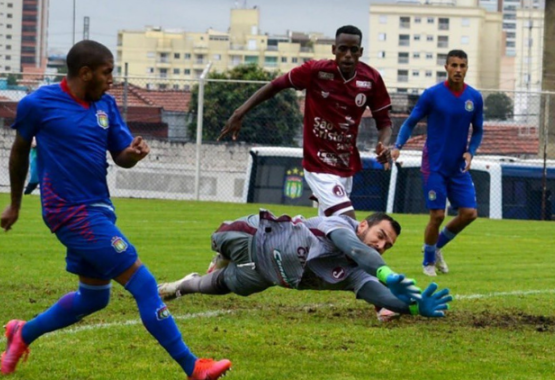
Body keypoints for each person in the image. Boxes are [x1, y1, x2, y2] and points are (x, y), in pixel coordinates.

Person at [0, 40, 231, 380]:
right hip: (69, 212)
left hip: (99, 208)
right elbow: (19, 152)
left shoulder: (105, 105)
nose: (112, 80)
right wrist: (16, 203)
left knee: (92, 298)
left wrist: (133, 154)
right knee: (144, 282)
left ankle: (23, 333)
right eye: (107, 73)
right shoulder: (39, 104)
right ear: (85, 73)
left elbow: (121, 156)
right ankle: (192, 366)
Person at [219, 25, 394, 219]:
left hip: (346, 165)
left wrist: (384, 145)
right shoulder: (315, 71)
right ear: (334, 49)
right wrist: (240, 112)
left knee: (330, 231)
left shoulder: (371, 79)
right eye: (343, 49)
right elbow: (276, 85)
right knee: (348, 221)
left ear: (360, 52)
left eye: (354, 50)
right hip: (318, 164)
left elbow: (384, 122)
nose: (348, 55)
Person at [157, 210, 452, 320]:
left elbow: (381, 297)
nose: (381, 246)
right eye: (380, 236)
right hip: (254, 237)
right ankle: (220, 256)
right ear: (363, 225)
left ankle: (181, 284)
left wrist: (414, 308)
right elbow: (359, 251)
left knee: (210, 287)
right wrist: (387, 273)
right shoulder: (340, 226)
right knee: (219, 237)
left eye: (388, 246)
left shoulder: (357, 272)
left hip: (263, 275)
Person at [391, 49, 484, 277]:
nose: (458, 70)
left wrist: (470, 152)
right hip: (434, 165)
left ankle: (436, 246)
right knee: (437, 216)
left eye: (462, 66)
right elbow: (410, 122)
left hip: (457, 167)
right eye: (454, 65)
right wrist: (397, 146)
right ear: (446, 67)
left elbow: (479, 130)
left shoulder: (474, 97)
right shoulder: (432, 95)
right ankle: (428, 261)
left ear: (467, 68)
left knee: (469, 213)